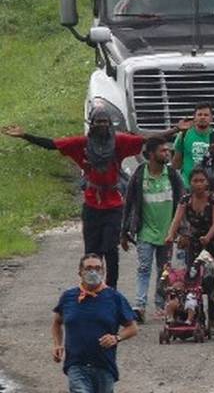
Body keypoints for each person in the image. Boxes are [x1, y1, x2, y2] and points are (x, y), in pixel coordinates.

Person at [5, 109, 183, 288]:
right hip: (91, 206)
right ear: (92, 124)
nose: (103, 125)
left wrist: (175, 129)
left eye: (106, 122)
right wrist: (24, 135)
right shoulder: (81, 144)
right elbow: (52, 144)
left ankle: (111, 290)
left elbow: (147, 140)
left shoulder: (118, 142)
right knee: (91, 252)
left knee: (110, 250)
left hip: (114, 206)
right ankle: (91, 288)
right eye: (99, 122)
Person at [52, 253, 139, 393]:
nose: (93, 272)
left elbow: (132, 328)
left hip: (104, 366)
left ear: (104, 272)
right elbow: (57, 322)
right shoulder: (68, 297)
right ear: (80, 272)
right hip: (77, 365)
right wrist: (58, 344)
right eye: (89, 268)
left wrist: (116, 338)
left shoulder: (114, 298)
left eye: (97, 268)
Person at [119, 136, 184, 322]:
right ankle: (139, 305)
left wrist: (182, 230)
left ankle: (160, 303)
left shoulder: (172, 175)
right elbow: (129, 203)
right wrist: (124, 232)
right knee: (144, 267)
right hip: (145, 231)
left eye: (167, 150)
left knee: (164, 270)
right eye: (163, 151)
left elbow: (182, 202)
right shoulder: (140, 175)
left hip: (167, 233)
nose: (167, 154)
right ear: (151, 154)